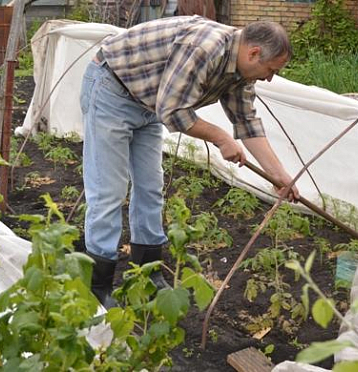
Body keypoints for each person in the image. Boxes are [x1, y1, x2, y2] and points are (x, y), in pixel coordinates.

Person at [80, 15, 300, 307]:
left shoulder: (241, 72)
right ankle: (98, 285)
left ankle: (148, 272)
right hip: (112, 89)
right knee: (109, 190)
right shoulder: (204, 49)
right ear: (254, 53)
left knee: (150, 186)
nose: (269, 77)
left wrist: (279, 176)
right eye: (270, 70)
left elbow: (247, 122)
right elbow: (174, 112)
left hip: (148, 104)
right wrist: (221, 138)